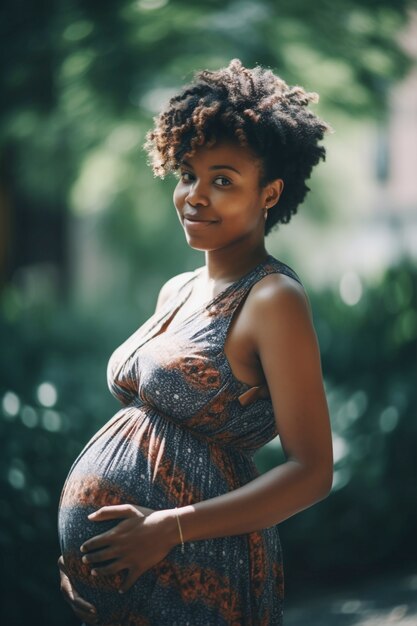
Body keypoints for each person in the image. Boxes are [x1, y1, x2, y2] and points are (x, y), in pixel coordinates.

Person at [57, 58, 333, 625]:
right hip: (128, 583)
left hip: (203, 569)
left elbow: (312, 471)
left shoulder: (272, 299)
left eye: (223, 180)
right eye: (188, 174)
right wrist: (85, 565)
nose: (194, 196)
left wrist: (168, 528)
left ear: (269, 193)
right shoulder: (177, 290)